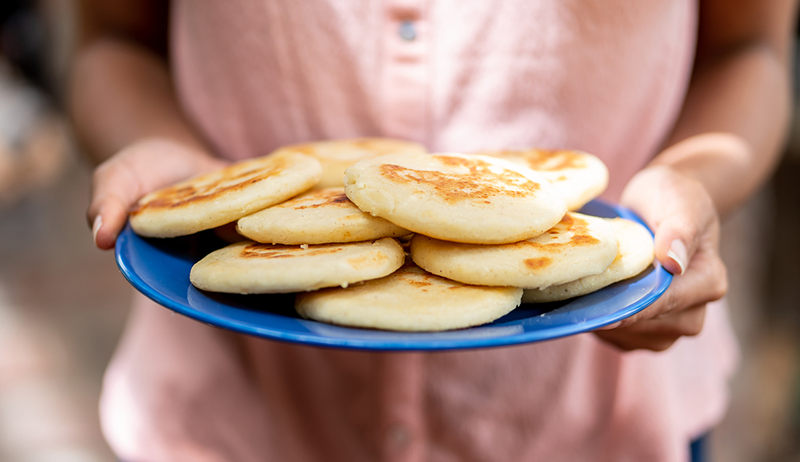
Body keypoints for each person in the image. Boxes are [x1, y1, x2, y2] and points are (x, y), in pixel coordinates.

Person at [68, 1, 797, 461]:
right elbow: (112, 40)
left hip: (606, 423)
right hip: (228, 414)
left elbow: (750, 49)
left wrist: (693, 181)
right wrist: (177, 165)